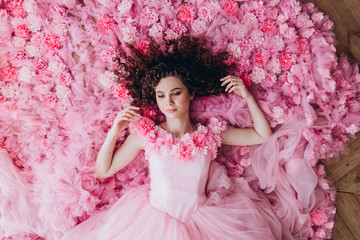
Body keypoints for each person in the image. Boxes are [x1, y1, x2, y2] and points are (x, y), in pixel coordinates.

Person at [61, 37, 292, 240]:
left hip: (203, 223)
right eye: (161, 95)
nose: (168, 102)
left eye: (176, 93)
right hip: (153, 224)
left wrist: (247, 96)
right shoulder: (147, 135)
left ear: (191, 93)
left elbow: (262, 135)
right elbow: (103, 171)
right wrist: (115, 131)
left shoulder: (210, 134)